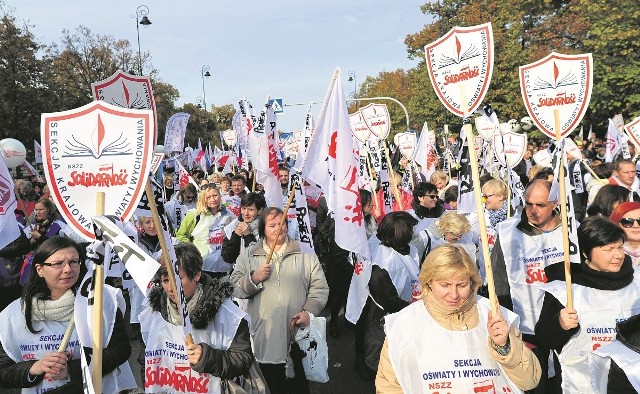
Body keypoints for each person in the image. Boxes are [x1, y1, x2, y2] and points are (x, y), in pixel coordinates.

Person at [376, 244, 541, 393]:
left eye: (462, 285)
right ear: (429, 282)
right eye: (445, 285)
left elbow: (530, 381)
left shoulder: (494, 315)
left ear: (472, 282)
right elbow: (389, 386)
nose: (454, 295)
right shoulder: (404, 324)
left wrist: (505, 347)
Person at [0, 236, 134, 393]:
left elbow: (121, 349)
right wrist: (34, 367)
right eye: (58, 264)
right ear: (39, 269)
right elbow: (3, 371)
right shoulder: (15, 313)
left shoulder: (100, 301)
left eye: (73, 262)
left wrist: (72, 370)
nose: (68, 269)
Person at [535, 217, 640, 392]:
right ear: (585, 252)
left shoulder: (637, 280)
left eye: (620, 247)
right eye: (608, 249)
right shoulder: (565, 287)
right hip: (581, 383)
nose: (618, 255)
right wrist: (559, 325)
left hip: (630, 383)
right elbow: (544, 339)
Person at [230, 207, 328, 393]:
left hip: (298, 336)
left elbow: (320, 287)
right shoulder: (250, 254)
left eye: (282, 223)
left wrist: (309, 312)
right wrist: (254, 279)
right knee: (270, 385)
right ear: (263, 229)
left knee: (299, 386)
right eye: (272, 225)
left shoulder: (304, 251)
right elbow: (234, 285)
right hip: (265, 337)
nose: (278, 228)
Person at [491, 179, 573, 392]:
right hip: (525, 327)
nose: (532, 210)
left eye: (540, 205)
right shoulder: (508, 232)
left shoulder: (571, 229)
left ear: (555, 203)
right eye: (528, 204)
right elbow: (498, 280)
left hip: (565, 326)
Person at [139, 242, 254, 393]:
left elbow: (242, 358)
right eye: (165, 280)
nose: (170, 288)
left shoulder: (226, 313)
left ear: (197, 275)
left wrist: (207, 357)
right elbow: (146, 359)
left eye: (177, 280)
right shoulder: (153, 312)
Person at [365, 212, 421, 373]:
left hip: (407, 309)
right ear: (402, 232)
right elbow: (388, 300)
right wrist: (413, 309)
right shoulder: (383, 260)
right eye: (411, 228)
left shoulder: (409, 250)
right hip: (386, 315)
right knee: (383, 355)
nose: (414, 232)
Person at [177, 184, 235, 277]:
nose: (213, 199)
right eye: (208, 197)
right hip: (201, 265)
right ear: (203, 198)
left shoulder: (228, 214)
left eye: (215, 195)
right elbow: (181, 235)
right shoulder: (194, 215)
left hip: (223, 265)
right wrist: (192, 249)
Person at [221, 192, 266, 266]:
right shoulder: (234, 224)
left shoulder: (264, 227)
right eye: (244, 208)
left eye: (251, 210)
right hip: (237, 271)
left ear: (259, 210)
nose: (246, 213)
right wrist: (236, 236)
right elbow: (227, 257)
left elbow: (256, 258)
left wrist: (248, 236)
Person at [482, 178, 511, 251]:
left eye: (487, 196)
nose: (484, 200)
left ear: (501, 196)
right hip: (485, 261)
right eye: (483, 196)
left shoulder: (511, 216)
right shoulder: (483, 214)